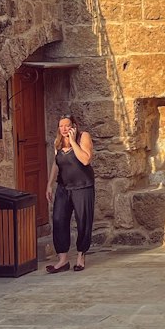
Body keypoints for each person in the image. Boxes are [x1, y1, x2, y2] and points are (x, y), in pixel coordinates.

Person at [45, 112, 95, 272]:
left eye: (67, 125)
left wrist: (73, 142)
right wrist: (49, 185)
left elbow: (86, 160)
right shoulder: (57, 142)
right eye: (61, 126)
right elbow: (56, 164)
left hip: (83, 187)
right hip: (64, 187)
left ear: (74, 126)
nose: (64, 128)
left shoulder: (83, 137)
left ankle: (81, 256)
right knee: (59, 219)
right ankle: (62, 260)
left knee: (83, 221)